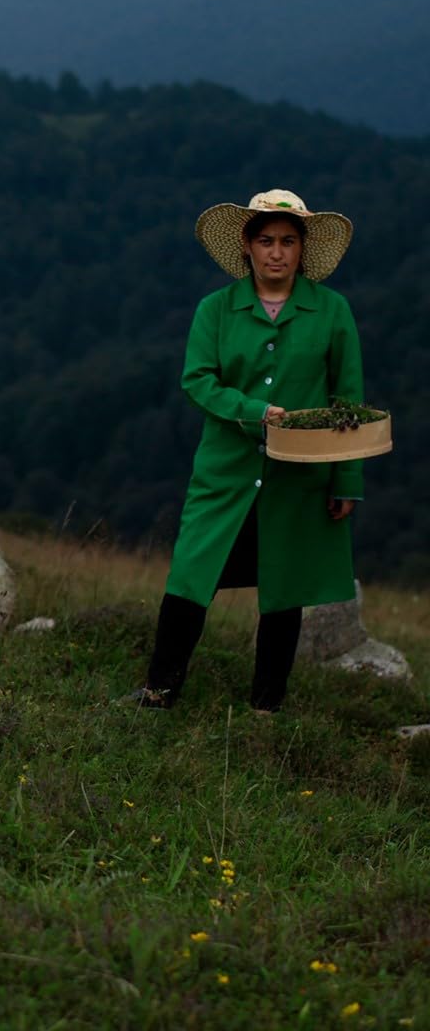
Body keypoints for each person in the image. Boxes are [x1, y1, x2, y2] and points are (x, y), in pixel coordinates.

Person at [133, 188, 364, 713]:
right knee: (191, 576)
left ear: (302, 248)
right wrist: (254, 412)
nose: (276, 252)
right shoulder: (216, 309)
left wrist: (347, 480)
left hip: (299, 475)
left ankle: (266, 708)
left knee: (284, 589)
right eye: (266, 241)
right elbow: (197, 380)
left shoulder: (332, 311)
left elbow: (347, 401)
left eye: (287, 241)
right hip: (224, 471)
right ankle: (159, 693)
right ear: (247, 245)